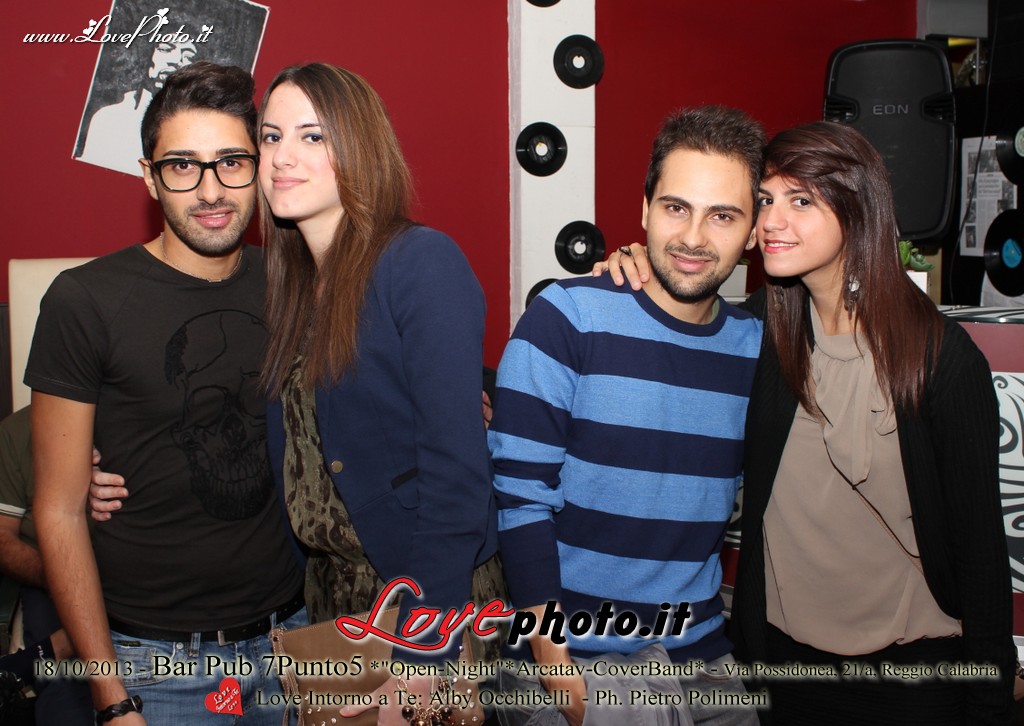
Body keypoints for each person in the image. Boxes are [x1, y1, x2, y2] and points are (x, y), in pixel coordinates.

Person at [598, 121, 1015, 725]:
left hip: (912, 679)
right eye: (765, 200)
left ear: (858, 210)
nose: (771, 221)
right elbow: (680, 315)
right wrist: (638, 263)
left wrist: (990, 707)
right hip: (779, 669)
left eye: (801, 201)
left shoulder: (938, 359)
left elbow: (981, 558)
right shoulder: (761, 334)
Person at [27, 62, 306, 725]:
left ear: (259, 169)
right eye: (183, 166)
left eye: (231, 162)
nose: (211, 190)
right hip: (155, 665)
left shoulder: (294, 282)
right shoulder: (85, 300)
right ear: (150, 177)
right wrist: (112, 700)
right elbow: (58, 512)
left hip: (294, 642)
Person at [488, 106, 765, 726]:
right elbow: (521, 499)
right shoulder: (567, 319)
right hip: (580, 662)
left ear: (752, 232)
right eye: (676, 207)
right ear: (644, 209)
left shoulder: (757, 349)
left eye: (723, 216)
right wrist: (560, 676)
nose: (694, 237)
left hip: (704, 658)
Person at [256, 63, 504, 725]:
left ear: (359, 146)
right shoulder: (291, 289)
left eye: (312, 136)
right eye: (271, 136)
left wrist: (425, 649)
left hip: (424, 601)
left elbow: (457, 472)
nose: (282, 156)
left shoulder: (419, 261)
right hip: (331, 604)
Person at [0, 406, 92, 724]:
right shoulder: (16, 432)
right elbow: (3, 538)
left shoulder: (141, 417)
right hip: (49, 576)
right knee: (66, 696)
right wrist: (63, 579)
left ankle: (27, 663)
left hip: (135, 578)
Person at [78, 37, 198, 175]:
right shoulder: (107, 118)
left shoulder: (194, 134)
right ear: (147, 55)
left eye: (188, 56)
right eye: (165, 49)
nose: (175, 60)